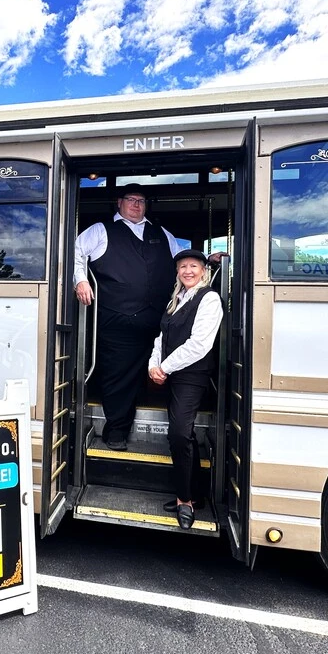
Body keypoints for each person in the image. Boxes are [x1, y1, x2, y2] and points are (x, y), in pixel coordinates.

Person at [74, 186, 182, 451]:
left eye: (141, 201)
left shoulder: (162, 233)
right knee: (119, 377)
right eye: (131, 200)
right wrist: (81, 281)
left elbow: (182, 259)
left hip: (159, 320)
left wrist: (207, 259)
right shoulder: (100, 230)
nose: (136, 205)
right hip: (118, 320)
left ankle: (179, 437)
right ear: (119, 202)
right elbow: (75, 253)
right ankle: (116, 432)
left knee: (169, 372)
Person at [148, 249, 222, 530]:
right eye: (182, 267)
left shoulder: (209, 299)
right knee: (185, 435)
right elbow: (161, 337)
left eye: (193, 266)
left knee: (179, 434)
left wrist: (165, 367)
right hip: (173, 374)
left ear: (203, 270)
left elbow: (200, 344)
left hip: (191, 376)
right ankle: (195, 494)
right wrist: (153, 365)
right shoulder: (177, 298)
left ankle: (185, 500)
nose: (187, 271)